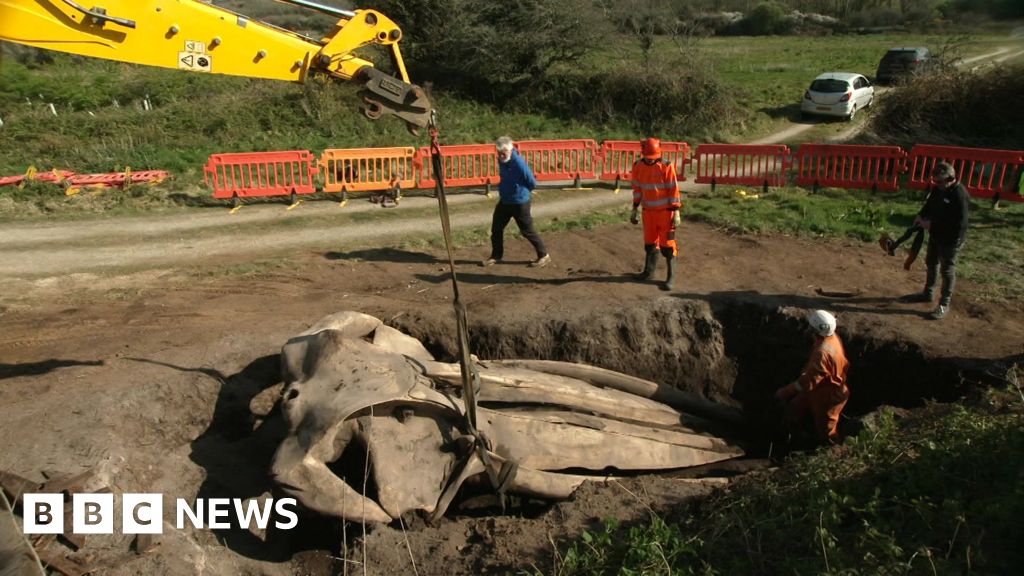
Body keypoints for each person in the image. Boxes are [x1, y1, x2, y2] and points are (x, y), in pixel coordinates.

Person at [899, 161, 970, 320]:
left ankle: (944, 304)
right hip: (936, 235)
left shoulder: (959, 195)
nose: (936, 184)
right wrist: (921, 215)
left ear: (950, 179)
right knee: (931, 262)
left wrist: (931, 224)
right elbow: (930, 205)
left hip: (951, 239)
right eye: (934, 181)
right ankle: (928, 293)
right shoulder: (938, 189)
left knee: (947, 270)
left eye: (939, 181)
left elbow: (958, 224)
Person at [775, 310, 850, 446]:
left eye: (810, 327)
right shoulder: (832, 339)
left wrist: (787, 391)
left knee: (826, 431)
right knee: (794, 409)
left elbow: (809, 382)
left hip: (828, 394)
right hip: (819, 388)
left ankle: (833, 452)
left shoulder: (822, 352)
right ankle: (792, 438)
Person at [481, 137, 550, 268]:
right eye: (499, 152)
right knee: (496, 229)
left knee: (527, 230)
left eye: (504, 152)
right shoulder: (501, 160)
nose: (501, 155)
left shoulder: (518, 163)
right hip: (505, 201)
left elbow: (532, 182)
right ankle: (496, 256)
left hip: (520, 203)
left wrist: (521, 192)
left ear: (511, 150)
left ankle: (543, 255)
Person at [629, 137, 681, 291]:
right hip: (648, 213)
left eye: (654, 158)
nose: (651, 160)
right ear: (643, 154)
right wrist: (634, 208)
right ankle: (648, 272)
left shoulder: (666, 166)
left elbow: (673, 189)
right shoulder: (638, 166)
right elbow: (637, 189)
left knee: (668, 246)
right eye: (648, 158)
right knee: (650, 244)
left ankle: (670, 278)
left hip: (666, 213)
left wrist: (676, 211)